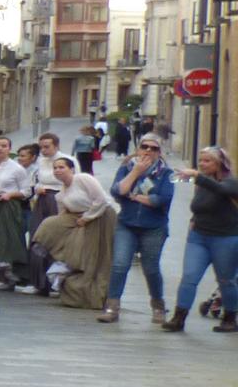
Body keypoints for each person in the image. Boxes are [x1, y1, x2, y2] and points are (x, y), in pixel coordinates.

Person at [27, 156, 118, 311]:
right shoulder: (61, 195)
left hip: (101, 217)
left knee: (99, 257)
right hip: (82, 220)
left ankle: (102, 295)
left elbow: (100, 200)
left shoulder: (83, 179)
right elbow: (63, 214)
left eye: (61, 167)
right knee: (52, 226)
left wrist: (88, 217)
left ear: (72, 169)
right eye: (55, 168)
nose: (57, 170)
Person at [102, 133, 175, 324]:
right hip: (127, 224)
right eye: (145, 147)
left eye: (154, 148)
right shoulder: (127, 168)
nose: (148, 151)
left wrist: (134, 196)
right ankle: (112, 307)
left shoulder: (166, 173)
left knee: (150, 268)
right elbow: (116, 191)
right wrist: (135, 173)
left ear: (159, 152)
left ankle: (158, 306)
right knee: (119, 265)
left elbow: (162, 199)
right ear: (138, 149)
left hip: (153, 227)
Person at [165, 146, 238, 333]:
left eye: (207, 161)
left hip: (225, 239)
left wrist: (197, 175)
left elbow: (221, 190)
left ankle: (230, 318)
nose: (202, 164)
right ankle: (178, 317)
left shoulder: (230, 182)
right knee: (189, 277)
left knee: (226, 280)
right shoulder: (200, 182)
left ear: (220, 163)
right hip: (199, 237)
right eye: (200, 160)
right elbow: (172, 179)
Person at [0, 135, 33, 289]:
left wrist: (10, 194)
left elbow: (27, 191)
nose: (0, 149)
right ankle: (1, 277)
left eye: (4, 146)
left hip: (8, 205)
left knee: (2, 240)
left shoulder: (17, 169)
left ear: (9, 149)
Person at [19, 133, 69, 295]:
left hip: (58, 200)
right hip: (41, 200)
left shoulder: (67, 160)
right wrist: (38, 187)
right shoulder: (39, 162)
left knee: (57, 239)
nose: (44, 150)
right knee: (37, 237)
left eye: (47, 146)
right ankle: (37, 281)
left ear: (56, 146)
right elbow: (34, 181)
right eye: (41, 147)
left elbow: (75, 180)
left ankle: (55, 282)